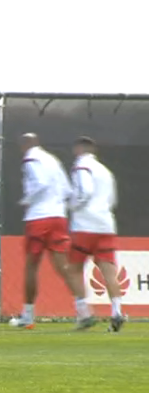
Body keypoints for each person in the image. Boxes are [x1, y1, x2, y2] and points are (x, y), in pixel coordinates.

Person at [12, 133, 95, 330]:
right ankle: (83, 310)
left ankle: (28, 315)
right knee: (64, 266)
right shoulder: (52, 159)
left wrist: (27, 200)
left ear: (25, 145)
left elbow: (40, 184)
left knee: (31, 266)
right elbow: (67, 190)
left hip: (38, 218)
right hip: (58, 217)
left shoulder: (30, 158)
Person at [66, 137, 125, 332]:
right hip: (105, 225)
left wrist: (71, 206)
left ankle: (84, 313)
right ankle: (117, 311)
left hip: (85, 225)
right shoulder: (106, 171)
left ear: (80, 148)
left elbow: (84, 192)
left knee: (73, 269)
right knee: (108, 271)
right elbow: (112, 199)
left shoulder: (81, 166)